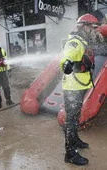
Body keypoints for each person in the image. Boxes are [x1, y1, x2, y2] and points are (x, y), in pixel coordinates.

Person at [60, 14, 100, 165]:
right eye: (93, 27)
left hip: (79, 85)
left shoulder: (84, 41)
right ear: (84, 26)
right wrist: (66, 63)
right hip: (73, 87)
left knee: (75, 117)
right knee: (71, 119)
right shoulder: (75, 41)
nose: (95, 30)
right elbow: (67, 55)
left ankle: (74, 140)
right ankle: (70, 153)